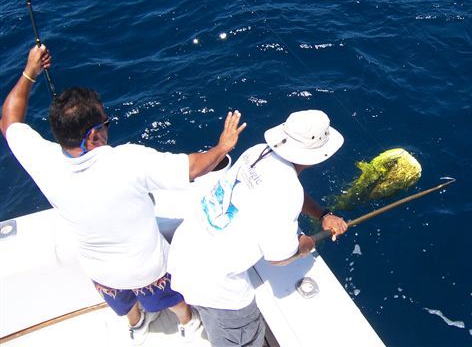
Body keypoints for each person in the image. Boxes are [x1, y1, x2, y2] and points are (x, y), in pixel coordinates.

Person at [0, 45, 247, 344]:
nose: (107, 128)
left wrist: (30, 71)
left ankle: (138, 325)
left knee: (124, 303)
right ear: (93, 135)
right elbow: (193, 168)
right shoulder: (127, 161)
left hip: (101, 274)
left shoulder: (43, 160)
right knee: (173, 298)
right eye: (105, 123)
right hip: (149, 269)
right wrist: (223, 147)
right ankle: (187, 323)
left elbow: (9, 119)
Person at [167, 109, 349, 347]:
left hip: (184, 251)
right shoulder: (287, 190)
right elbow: (279, 258)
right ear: (317, 155)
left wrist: (323, 214)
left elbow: (283, 188)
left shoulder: (259, 152)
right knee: (244, 336)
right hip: (217, 286)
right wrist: (307, 243)